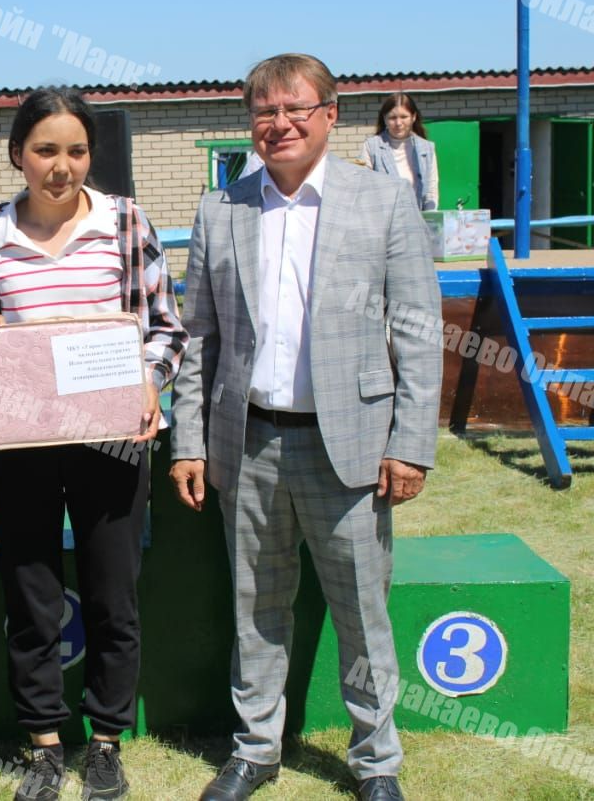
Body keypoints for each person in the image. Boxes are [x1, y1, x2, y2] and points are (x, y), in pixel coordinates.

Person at [169, 54, 442, 801]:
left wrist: (411, 444)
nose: (279, 123)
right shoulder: (220, 209)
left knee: (361, 612)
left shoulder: (382, 203)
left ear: (331, 114)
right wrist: (188, 441)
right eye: (264, 110)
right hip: (247, 442)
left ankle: (375, 760)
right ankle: (255, 748)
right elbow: (199, 340)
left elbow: (418, 332)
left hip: (349, 447)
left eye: (296, 109)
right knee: (254, 607)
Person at [0, 87, 188, 801]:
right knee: (30, 593)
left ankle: (108, 739)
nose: (62, 166)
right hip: (22, 442)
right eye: (46, 150)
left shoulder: (126, 223)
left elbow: (166, 328)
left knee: (112, 591)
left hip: (113, 441)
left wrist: (150, 381)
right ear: (18, 155)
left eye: (77, 151)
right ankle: (44, 744)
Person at [359, 92, 439, 210]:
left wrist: (430, 219)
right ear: (384, 119)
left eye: (404, 117)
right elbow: (362, 188)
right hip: (383, 222)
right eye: (392, 117)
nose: (398, 123)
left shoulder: (427, 148)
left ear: (413, 117)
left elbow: (431, 192)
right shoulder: (371, 146)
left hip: (416, 222)